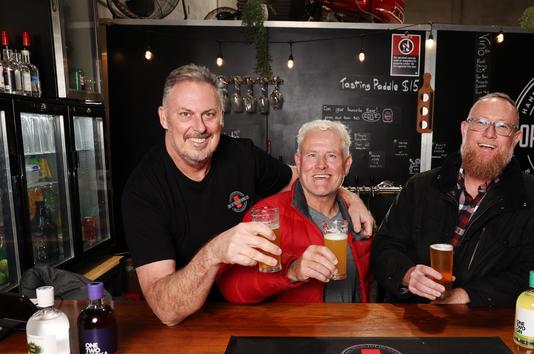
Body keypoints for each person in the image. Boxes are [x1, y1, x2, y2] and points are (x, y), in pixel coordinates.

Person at [121, 65, 374, 326]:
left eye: (209, 114)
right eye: (185, 114)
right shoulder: (144, 191)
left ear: (221, 117)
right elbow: (166, 311)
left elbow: (306, 175)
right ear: (164, 117)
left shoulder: (241, 155)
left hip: (247, 317)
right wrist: (214, 252)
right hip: (186, 323)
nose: (199, 127)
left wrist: (348, 196)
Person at [371, 92, 534, 307]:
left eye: (502, 127)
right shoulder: (420, 187)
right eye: (480, 123)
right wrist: (407, 274)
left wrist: (467, 295)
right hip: (412, 317)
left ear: (515, 138)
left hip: (484, 326)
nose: (489, 134)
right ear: (464, 129)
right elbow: (384, 247)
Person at [217, 120, 373, 303]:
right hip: (296, 330)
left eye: (331, 156)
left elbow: (366, 283)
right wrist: (292, 272)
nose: (321, 165)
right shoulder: (266, 215)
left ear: (346, 165)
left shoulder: (359, 219)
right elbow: (231, 288)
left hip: (351, 329)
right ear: (298, 162)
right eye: (311, 155)